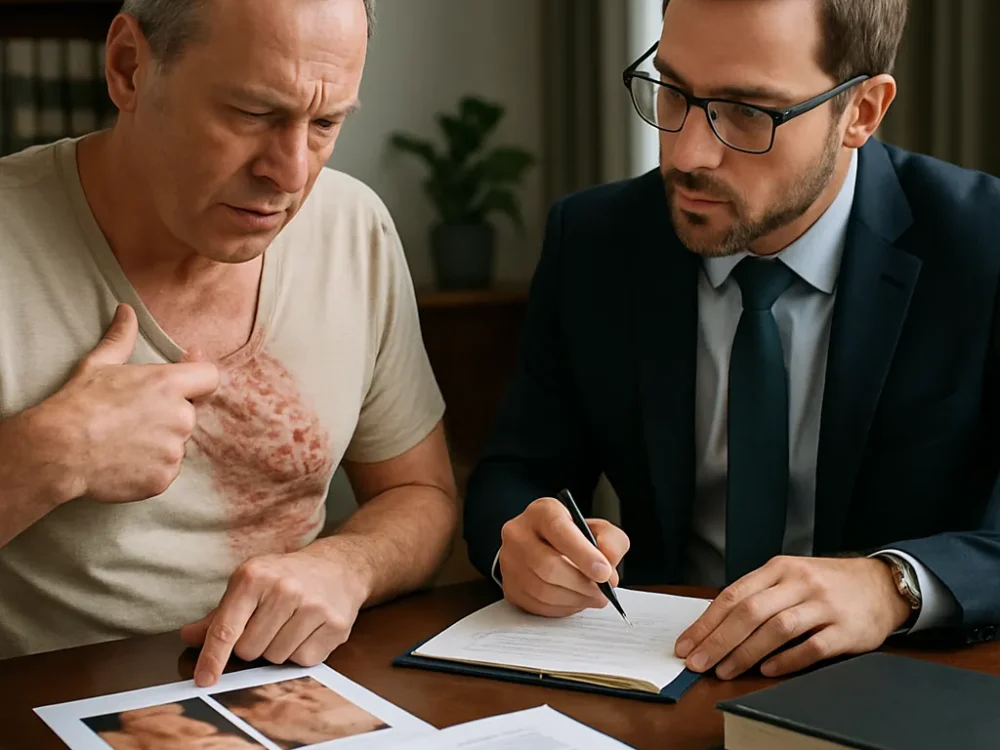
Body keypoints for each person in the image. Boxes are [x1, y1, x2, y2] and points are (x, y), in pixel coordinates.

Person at [464, 0, 1000, 682]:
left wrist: (891, 586)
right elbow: (513, 472)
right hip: (652, 668)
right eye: (674, 92)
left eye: (749, 112)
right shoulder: (596, 240)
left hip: (894, 684)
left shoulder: (983, 247)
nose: (688, 153)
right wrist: (525, 547)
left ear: (862, 110)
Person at [0, 0, 459, 688]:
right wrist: (47, 457)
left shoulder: (354, 228)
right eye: (253, 114)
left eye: (326, 123)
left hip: (298, 704)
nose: (293, 172)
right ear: (128, 68)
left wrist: (349, 563)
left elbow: (423, 493)